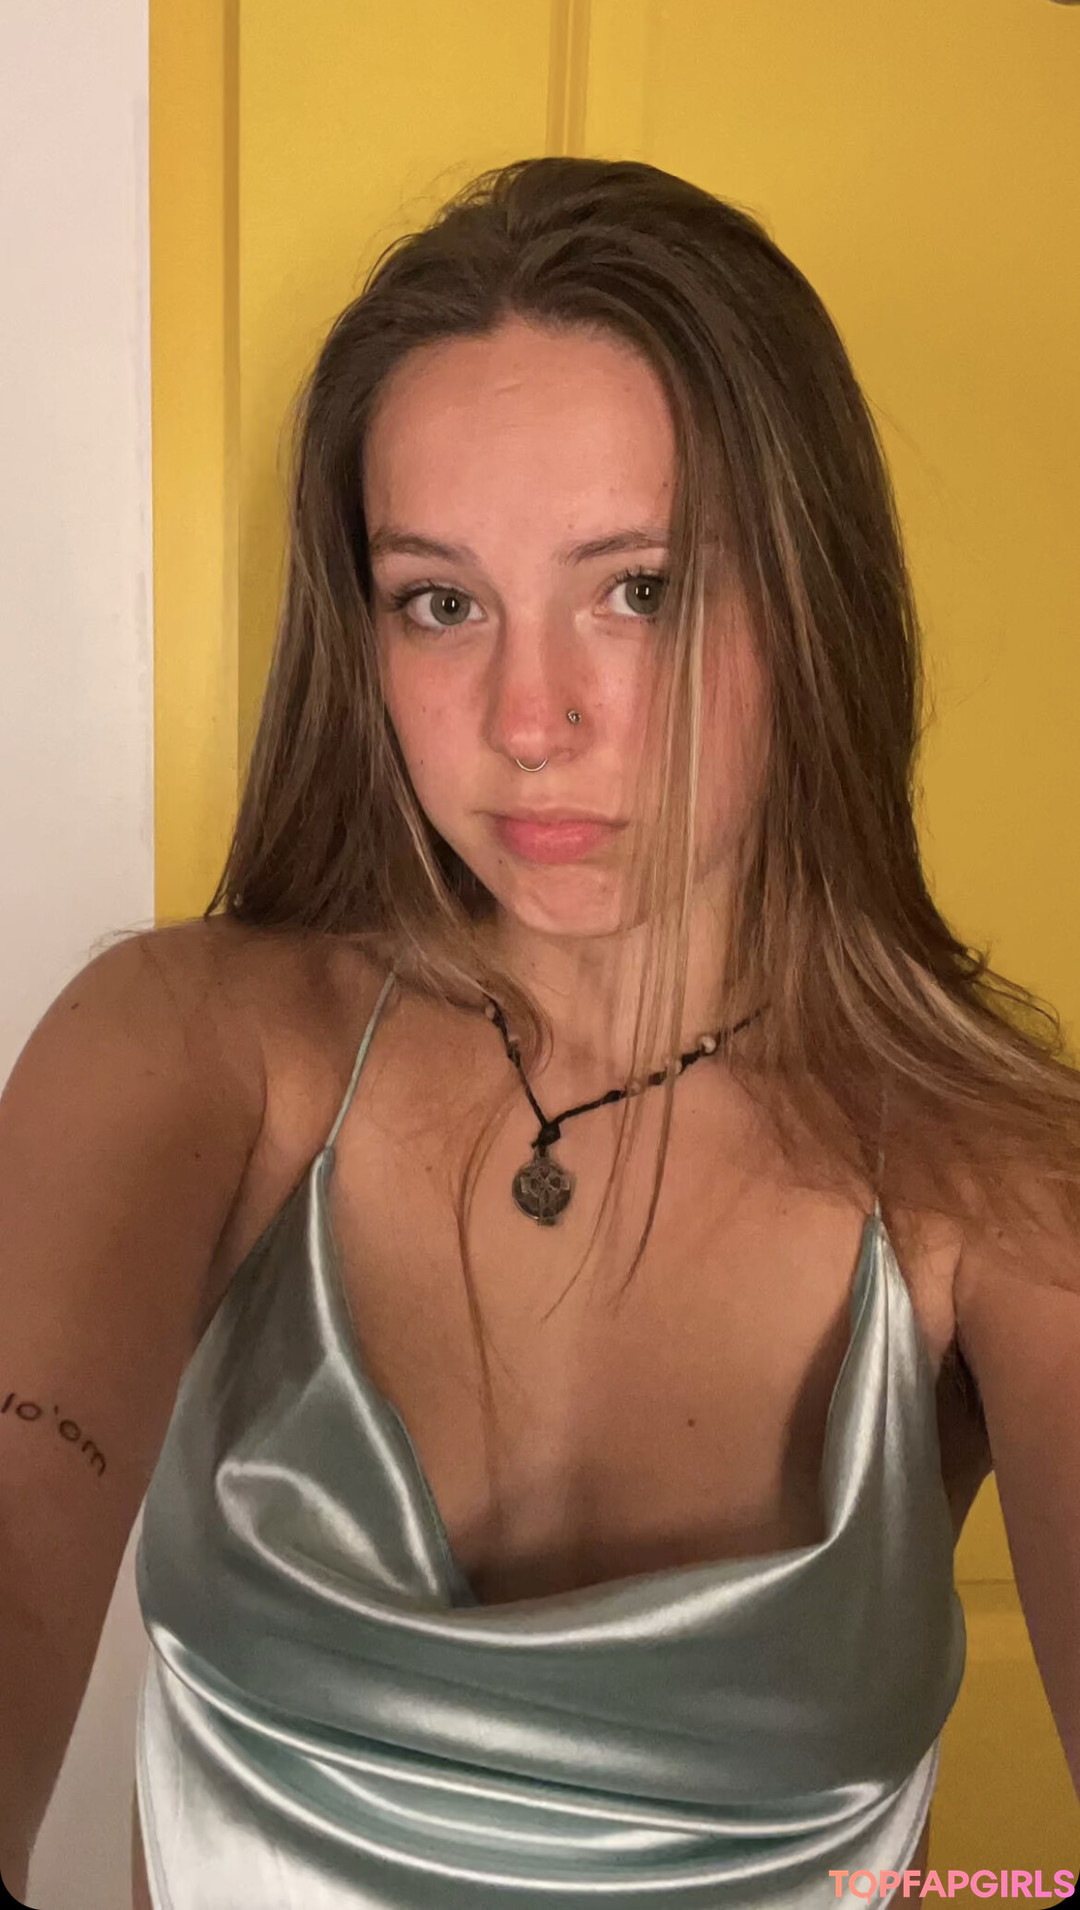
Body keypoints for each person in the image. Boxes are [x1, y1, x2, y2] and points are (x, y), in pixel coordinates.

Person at [1, 156, 1077, 1910]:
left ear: (816, 603)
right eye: (441, 600)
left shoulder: (1002, 1179)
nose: (529, 718)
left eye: (640, 589)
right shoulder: (188, 1050)